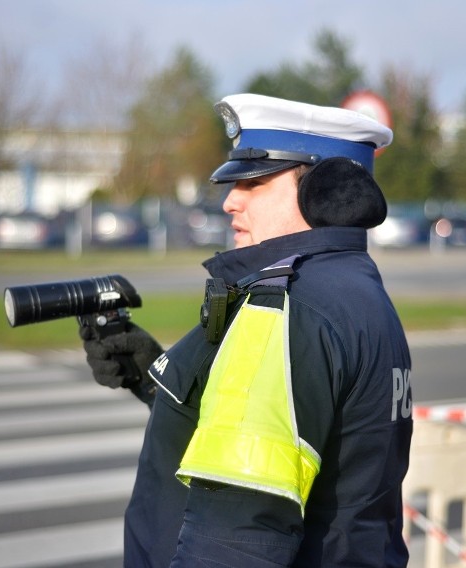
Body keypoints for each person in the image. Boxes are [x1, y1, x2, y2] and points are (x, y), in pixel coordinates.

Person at [81, 93, 413, 567]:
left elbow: (233, 539)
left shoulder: (287, 307)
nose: (230, 200)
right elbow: (291, 438)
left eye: (254, 180)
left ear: (327, 190)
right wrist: (163, 385)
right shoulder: (356, 290)